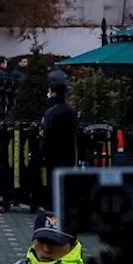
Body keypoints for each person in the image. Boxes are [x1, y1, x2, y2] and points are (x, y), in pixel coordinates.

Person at [38, 71, 79, 207]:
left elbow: (47, 134)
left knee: (53, 180)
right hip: (68, 152)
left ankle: (53, 205)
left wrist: (42, 153)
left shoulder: (51, 112)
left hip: (53, 153)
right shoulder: (70, 112)